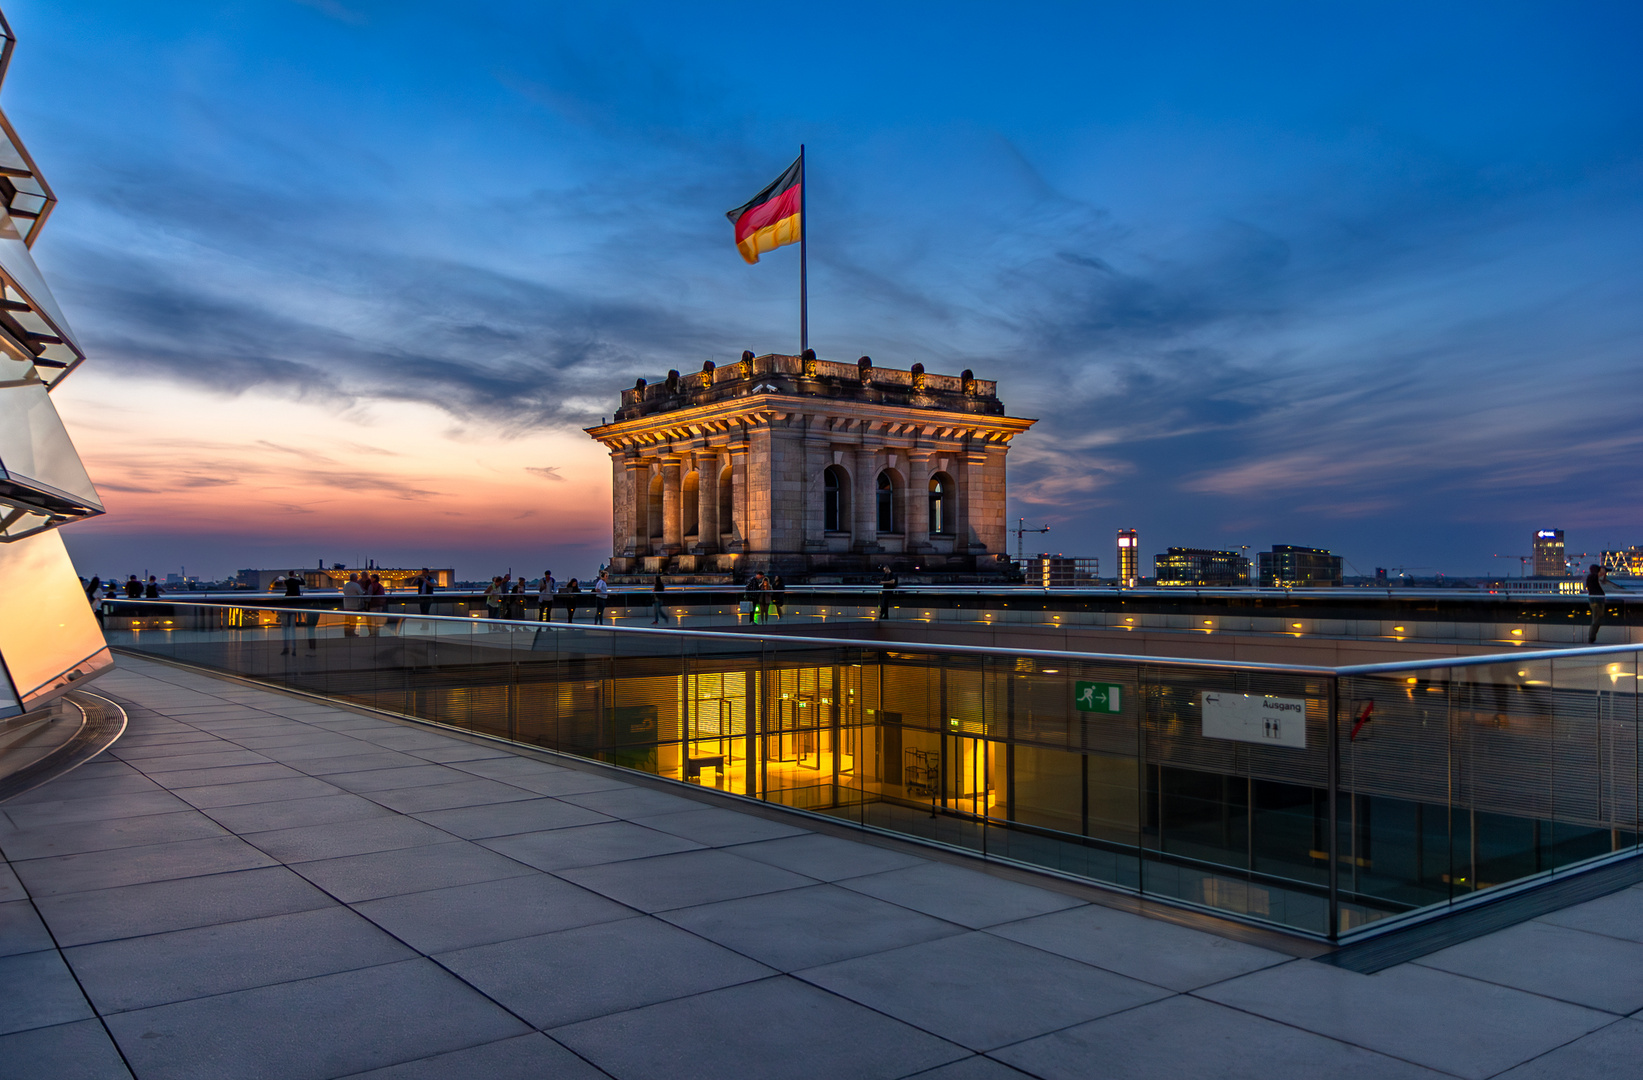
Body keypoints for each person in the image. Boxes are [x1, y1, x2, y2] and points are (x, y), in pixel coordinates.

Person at [1588, 563, 1609, 644]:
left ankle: (1592, 638)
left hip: (1596, 600)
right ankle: (1591, 638)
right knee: (1596, 619)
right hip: (1597, 601)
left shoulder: (1591, 577)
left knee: (1597, 619)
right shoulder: (1593, 577)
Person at [342, 571, 364, 637]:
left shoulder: (346, 585)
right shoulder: (356, 585)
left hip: (346, 605)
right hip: (354, 606)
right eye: (357, 578)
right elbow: (361, 593)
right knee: (353, 621)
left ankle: (346, 633)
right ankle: (352, 633)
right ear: (355, 578)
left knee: (347, 621)